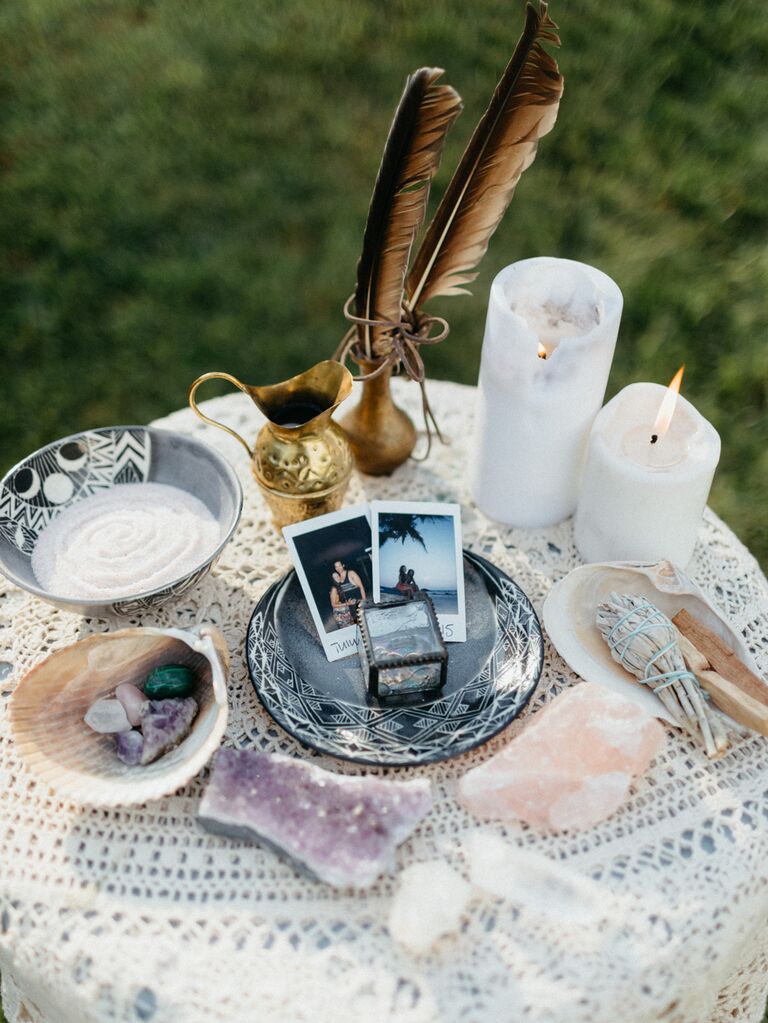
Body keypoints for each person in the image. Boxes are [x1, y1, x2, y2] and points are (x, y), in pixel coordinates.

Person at [329, 559, 366, 628]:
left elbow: (361, 586)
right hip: (349, 608)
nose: (338, 568)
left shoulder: (351, 573)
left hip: (358, 604)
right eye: (336, 567)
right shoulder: (338, 578)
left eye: (339, 566)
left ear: (343, 565)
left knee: (364, 623)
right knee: (357, 625)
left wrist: (364, 601)